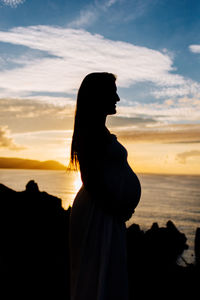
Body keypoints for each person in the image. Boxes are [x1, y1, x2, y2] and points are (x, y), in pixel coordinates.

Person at [69, 72, 141, 300]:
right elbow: (90, 180)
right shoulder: (91, 133)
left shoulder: (99, 131)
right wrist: (116, 208)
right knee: (98, 274)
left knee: (106, 272)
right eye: (113, 92)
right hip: (99, 212)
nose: (117, 98)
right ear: (98, 96)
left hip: (105, 211)